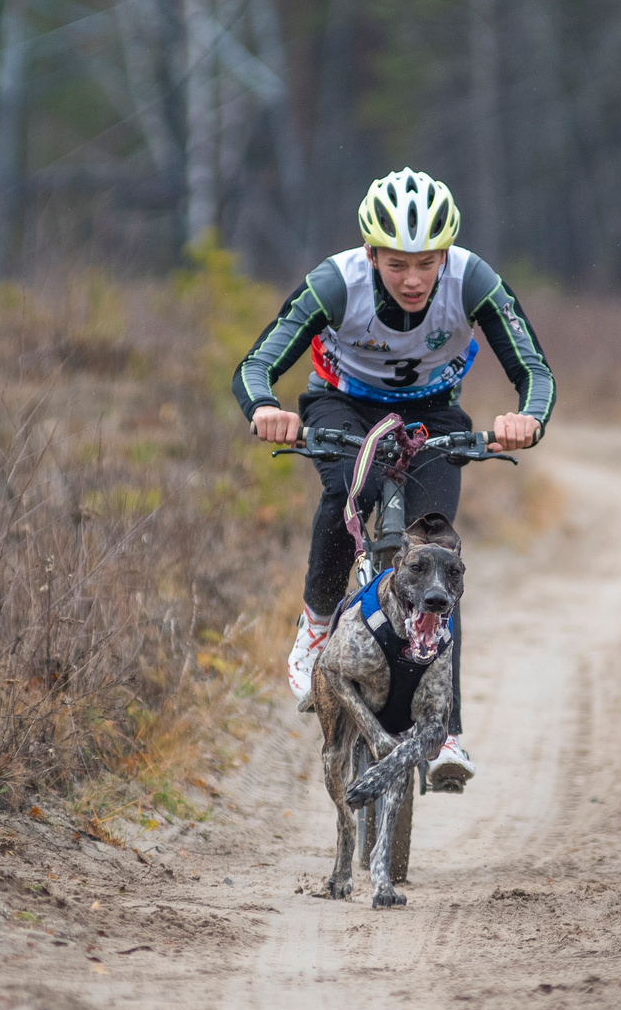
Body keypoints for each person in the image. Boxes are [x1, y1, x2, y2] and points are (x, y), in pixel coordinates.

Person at [232, 168, 554, 790]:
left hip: (432, 415)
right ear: (371, 253)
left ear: (446, 255)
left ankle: (446, 733)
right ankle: (319, 623)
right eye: (397, 264)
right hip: (341, 405)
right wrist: (266, 410)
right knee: (346, 489)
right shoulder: (335, 283)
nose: (412, 279)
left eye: (426, 264)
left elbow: (534, 371)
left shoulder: (474, 281)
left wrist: (527, 418)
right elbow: (257, 363)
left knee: (436, 556)